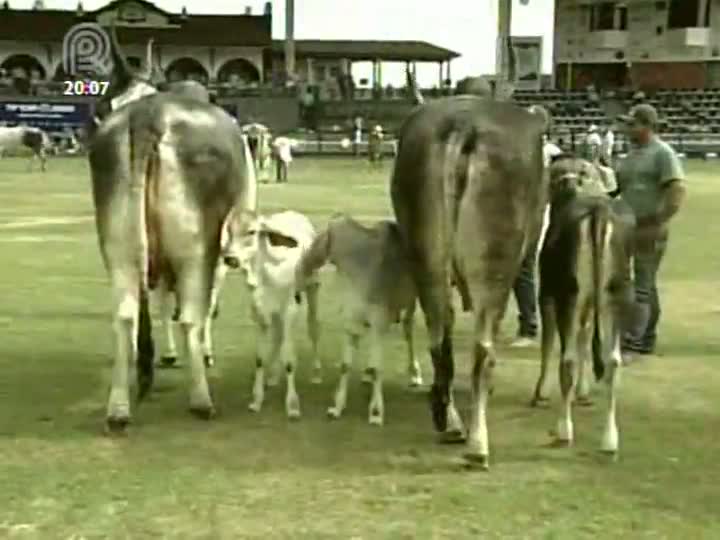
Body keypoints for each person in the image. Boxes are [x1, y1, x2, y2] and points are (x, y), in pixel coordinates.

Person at [615, 104, 686, 357]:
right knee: (634, 284)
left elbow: (676, 191)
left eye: (632, 124)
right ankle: (644, 337)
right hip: (626, 227)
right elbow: (618, 188)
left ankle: (634, 342)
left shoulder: (662, 153)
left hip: (649, 228)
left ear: (646, 126)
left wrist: (657, 221)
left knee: (643, 286)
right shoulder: (630, 155)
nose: (626, 129)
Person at [509, 134, 562, 347]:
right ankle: (528, 323)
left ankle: (529, 326)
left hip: (542, 215)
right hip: (523, 215)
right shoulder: (521, 153)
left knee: (525, 269)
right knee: (520, 269)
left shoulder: (551, 153)